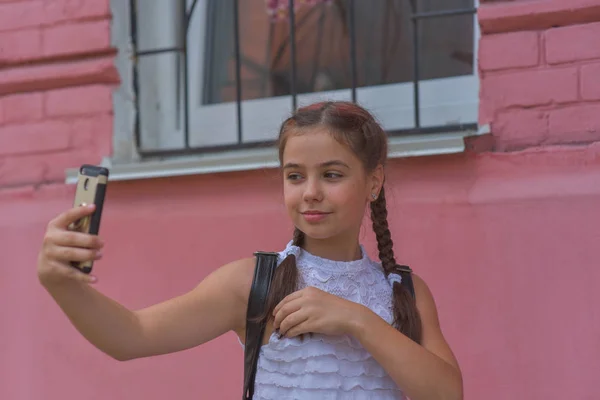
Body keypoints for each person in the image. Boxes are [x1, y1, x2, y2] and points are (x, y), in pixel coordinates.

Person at [37, 101, 462, 399]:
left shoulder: (404, 292)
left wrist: (357, 320)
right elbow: (131, 335)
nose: (311, 192)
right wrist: (62, 285)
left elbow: (447, 394)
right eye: (295, 176)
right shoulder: (253, 283)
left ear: (374, 181)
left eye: (332, 174)